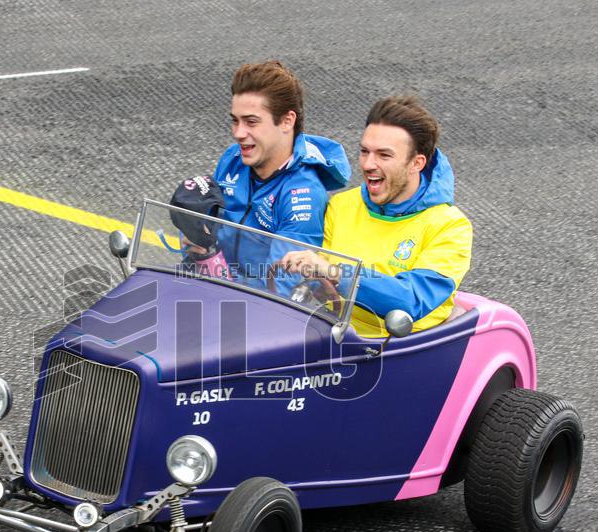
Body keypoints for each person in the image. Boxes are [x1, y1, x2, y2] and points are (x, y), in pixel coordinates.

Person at [280, 96, 472, 337]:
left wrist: (336, 273)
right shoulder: (341, 205)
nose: (368, 164)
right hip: (334, 337)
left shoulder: (450, 226)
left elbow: (411, 299)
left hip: (401, 351)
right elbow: (314, 285)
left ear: (416, 163)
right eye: (364, 151)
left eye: (384, 155)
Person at [180, 61, 351, 291]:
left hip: (259, 312)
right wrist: (196, 241)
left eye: (251, 122)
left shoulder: (303, 195)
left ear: (286, 121)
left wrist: (213, 268)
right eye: (235, 120)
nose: (238, 133)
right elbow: (206, 236)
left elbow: (277, 288)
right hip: (216, 290)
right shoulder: (233, 159)